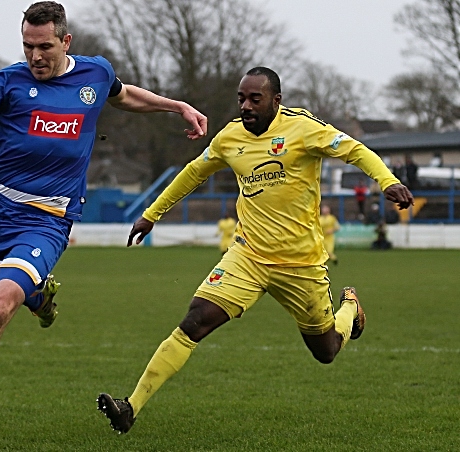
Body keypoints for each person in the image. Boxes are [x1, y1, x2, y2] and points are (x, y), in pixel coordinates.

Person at [0, 1, 207, 417]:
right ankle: (37, 293)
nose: (35, 56)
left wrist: (175, 105)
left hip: (49, 219)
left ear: (65, 41)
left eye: (45, 46)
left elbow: (124, 97)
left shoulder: (96, 73)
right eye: (27, 46)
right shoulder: (7, 82)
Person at [96, 67, 414, 434]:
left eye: (254, 99)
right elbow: (192, 173)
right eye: (241, 99)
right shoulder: (230, 137)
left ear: (276, 100)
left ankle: (351, 307)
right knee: (195, 320)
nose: (245, 106)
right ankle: (130, 406)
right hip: (247, 257)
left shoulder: (304, 129)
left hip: (301, 264)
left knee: (326, 351)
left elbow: (356, 151)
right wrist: (151, 215)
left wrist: (387, 181)